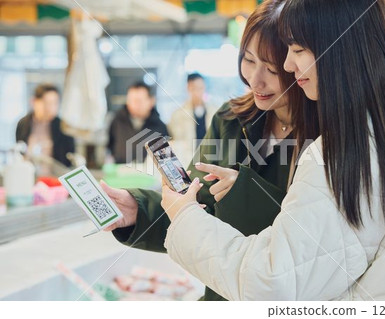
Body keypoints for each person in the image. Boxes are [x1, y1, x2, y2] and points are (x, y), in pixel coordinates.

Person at [160, 0, 385, 300]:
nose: (288, 64)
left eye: (297, 50)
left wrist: (187, 218)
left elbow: (274, 282)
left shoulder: (340, 149)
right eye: (248, 59)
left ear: (339, 48)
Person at [101, 0, 319, 301]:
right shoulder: (231, 120)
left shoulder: (326, 136)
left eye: (270, 68)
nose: (255, 80)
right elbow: (193, 210)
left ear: (298, 63)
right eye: (249, 60)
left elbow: (311, 246)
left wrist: (246, 193)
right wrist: (137, 210)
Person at [108, 81, 169, 163]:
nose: (135, 105)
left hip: (149, 173)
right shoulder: (117, 121)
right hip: (121, 172)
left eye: (139, 101)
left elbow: (165, 155)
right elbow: (109, 146)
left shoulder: (160, 126)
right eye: (131, 100)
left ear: (151, 101)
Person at [16, 83, 75, 168]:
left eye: (55, 103)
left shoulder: (63, 127)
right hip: (30, 174)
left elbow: (68, 159)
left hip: (55, 178)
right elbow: (20, 151)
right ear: (34, 101)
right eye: (47, 103)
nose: (51, 108)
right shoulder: (23, 124)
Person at [168, 73, 217, 166]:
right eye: (194, 88)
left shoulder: (215, 112)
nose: (197, 92)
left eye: (200, 88)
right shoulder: (177, 115)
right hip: (188, 160)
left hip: (211, 159)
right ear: (188, 89)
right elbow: (176, 141)